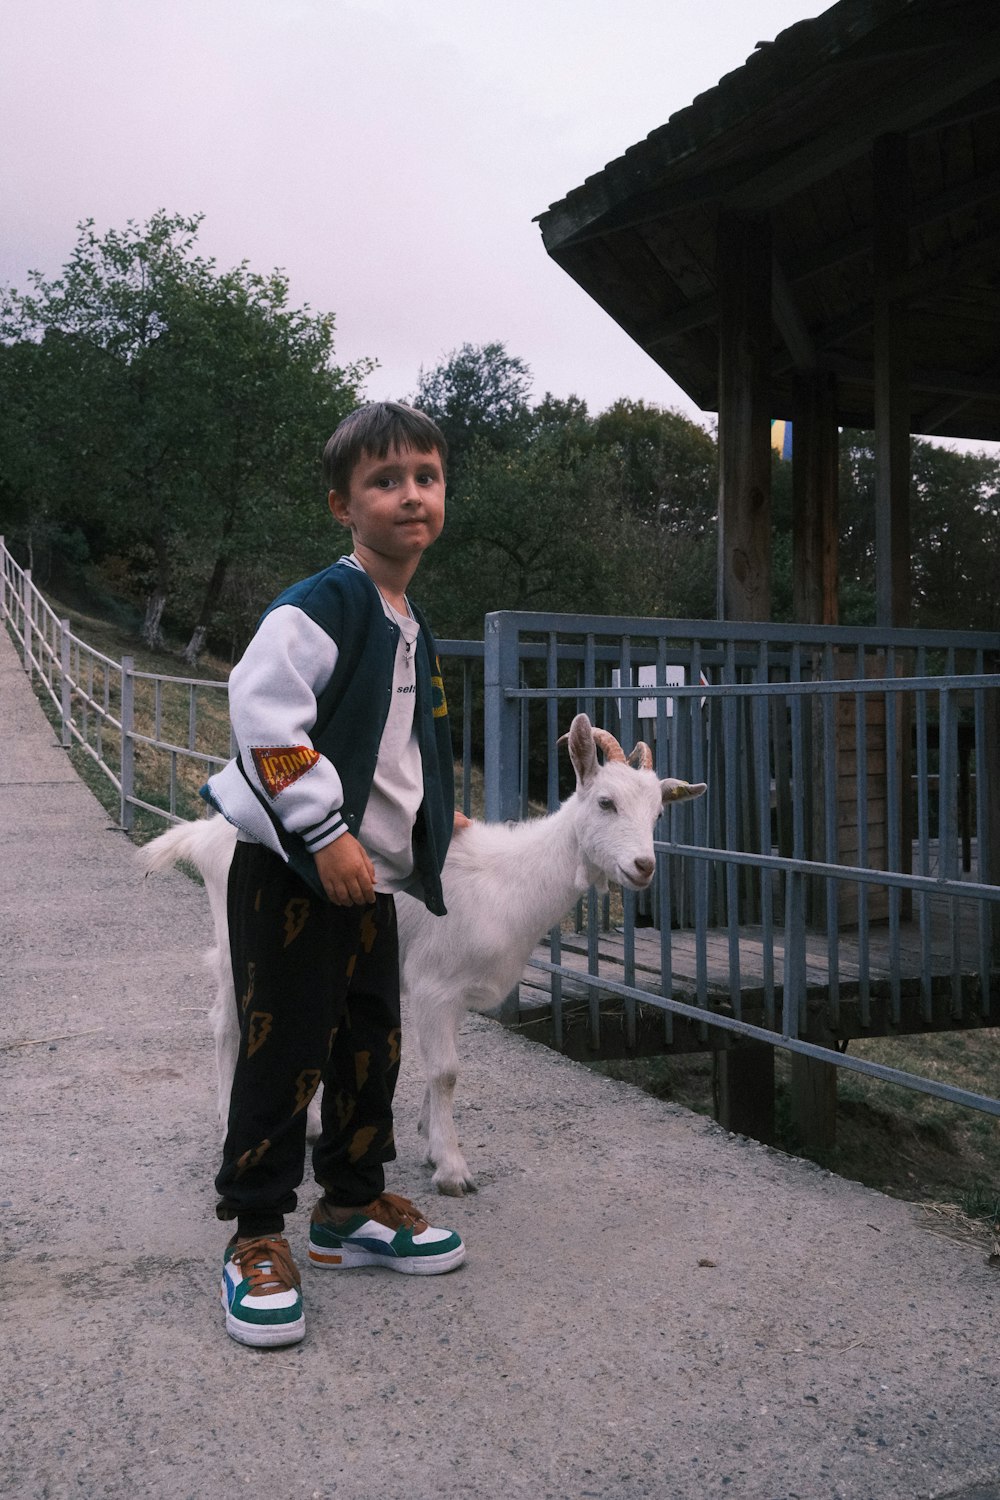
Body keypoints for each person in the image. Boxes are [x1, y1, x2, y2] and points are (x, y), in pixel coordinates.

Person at [201, 400, 466, 1348]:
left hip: (373, 879)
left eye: (425, 478)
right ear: (341, 507)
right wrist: (321, 831)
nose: (410, 497)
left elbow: (404, 746)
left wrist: (437, 817)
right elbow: (264, 714)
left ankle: (349, 1209)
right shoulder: (326, 602)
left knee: (368, 1041)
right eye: (385, 481)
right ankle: (256, 1232)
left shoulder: (410, 619)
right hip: (295, 872)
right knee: (285, 1045)